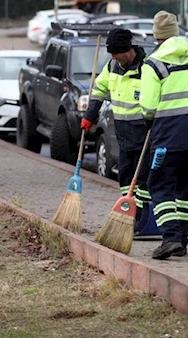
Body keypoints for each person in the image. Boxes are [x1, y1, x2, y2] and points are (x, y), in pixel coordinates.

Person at [140, 10, 188, 260]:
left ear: (156, 36)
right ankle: (182, 241)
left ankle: (170, 238)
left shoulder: (154, 63)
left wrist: (149, 120)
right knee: (187, 190)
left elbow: (148, 106)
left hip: (168, 137)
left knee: (158, 184)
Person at [80, 28, 154, 235]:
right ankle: (125, 214)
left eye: (115, 53)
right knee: (124, 177)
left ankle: (141, 219)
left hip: (143, 133)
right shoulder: (113, 65)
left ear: (127, 50)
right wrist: (90, 115)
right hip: (122, 133)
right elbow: (99, 89)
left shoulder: (146, 69)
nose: (112, 57)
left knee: (141, 181)